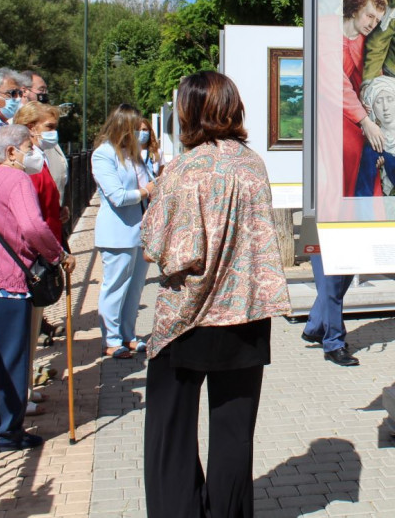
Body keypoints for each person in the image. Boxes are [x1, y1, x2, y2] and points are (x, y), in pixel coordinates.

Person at [141, 71, 292, 516]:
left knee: (171, 431)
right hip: (247, 313)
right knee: (233, 435)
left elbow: (161, 248)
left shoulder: (184, 170)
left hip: (186, 319)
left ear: (188, 111)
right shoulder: (252, 164)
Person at [0, 124, 66, 451]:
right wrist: (57, 254)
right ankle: (7, 433)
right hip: (3, 284)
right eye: (28, 146)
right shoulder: (17, 179)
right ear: (11, 152)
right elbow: (33, 226)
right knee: (9, 359)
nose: (34, 152)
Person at [13, 101, 75, 410]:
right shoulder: (29, 165)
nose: (53, 133)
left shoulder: (39, 159)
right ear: (31, 128)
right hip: (35, 253)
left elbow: (47, 201)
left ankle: (25, 386)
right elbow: (31, 212)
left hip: (45, 247)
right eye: (48, 127)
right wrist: (56, 250)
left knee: (34, 324)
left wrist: (59, 211)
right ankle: (20, 392)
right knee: (25, 327)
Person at [92, 104, 156, 360]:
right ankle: (111, 338)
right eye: (135, 128)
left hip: (139, 232)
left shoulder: (133, 155)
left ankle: (129, 335)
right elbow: (117, 196)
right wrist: (146, 191)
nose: (140, 133)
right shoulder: (104, 154)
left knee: (135, 287)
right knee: (115, 286)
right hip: (117, 232)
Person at [340, 0, 387, 196]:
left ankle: (363, 216)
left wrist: (368, 103)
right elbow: (336, 82)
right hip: (327, 107)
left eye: (377, 20)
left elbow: (367, 77)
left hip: (349, 108)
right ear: (354, 9)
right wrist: (365, 121)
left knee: (370, 147)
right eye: (369, 16)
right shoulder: (327, 32)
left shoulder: (362, 41)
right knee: (353, 147)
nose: (372, 24)